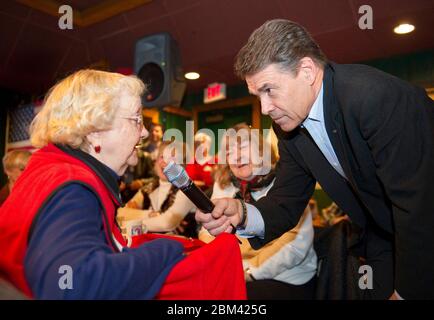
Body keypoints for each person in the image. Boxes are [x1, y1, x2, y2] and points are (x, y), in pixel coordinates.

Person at [196, 19, 434, 300]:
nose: (265, 108)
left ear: (307, 71)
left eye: (269, 90)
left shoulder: (374, 97)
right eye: (257, 95)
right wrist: (243, 213)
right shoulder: (288, 127)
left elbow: (419, 208)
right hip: (383, 236)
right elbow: (285, 202)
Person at [0, 70, 184, 299]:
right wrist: (168, 249)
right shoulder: (72, 188)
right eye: (137, 119)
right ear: (95, 132)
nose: (145, 131)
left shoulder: (51, 170)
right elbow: (72, 287)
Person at [199, 123, 317, 299]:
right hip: (236, 269)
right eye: (229, 151)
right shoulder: (223, 185)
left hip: (288, 277)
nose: (236, 156)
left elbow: (295, 248)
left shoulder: (286, 182)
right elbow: (207, 234)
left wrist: (250, 272)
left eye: (243, 147)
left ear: (262, 151)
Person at [121, 140, 197, 236]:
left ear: (183, 166)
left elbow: (166, 223)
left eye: (173, 159)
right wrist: (149, 214)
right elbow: (121, 213)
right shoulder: (148, 189)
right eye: (162, 157)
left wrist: (132, 221)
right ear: (155, 161)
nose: (166, 163)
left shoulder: (186, 189)